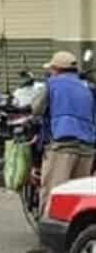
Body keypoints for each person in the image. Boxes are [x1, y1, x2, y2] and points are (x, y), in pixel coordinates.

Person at [34, 51, 95, 219]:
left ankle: (48, 232)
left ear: (57, 69)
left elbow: (36, 109)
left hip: (62, 146)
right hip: (88, 148)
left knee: (54, 191)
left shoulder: (52, 84)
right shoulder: (88, 87)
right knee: (78, 195)